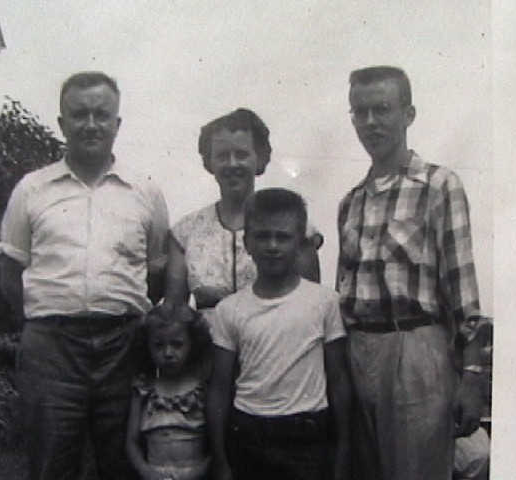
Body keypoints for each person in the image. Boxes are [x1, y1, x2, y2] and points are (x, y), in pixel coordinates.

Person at [0, 71, 169, 480]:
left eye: (101, 115)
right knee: (51, 465)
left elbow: (156, 274)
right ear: (62, 123)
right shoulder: (31, 190)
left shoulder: (145, 192)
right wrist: (52, 321)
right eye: (79, 115)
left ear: (117, 123)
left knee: (125, 465)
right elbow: (10, 276)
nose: (91, 124)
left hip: (124, 347)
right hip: (52, 351)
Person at [336, 65, 486, 480]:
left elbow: (463, 287)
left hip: (416, 351)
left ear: (408, 114)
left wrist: (473, 377)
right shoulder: (350, 201)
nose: (370, 122)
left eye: (382, 109)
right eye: (360, 112)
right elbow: (342, 291)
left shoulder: (439, 185)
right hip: (357, 352)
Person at [206, 188, 351, 480]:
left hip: (307, 440)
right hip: (248, 437)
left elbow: (338, 379)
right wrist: (220, 459)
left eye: (283, 237)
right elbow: (219, 388)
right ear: (247, 243)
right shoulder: (229, 310)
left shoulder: (325, 302)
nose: (272, 246)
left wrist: (344, 447)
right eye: (262, 236)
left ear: (299, 243)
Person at [164, 108, 323, 318]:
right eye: (222, 156)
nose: (232, 164)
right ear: (209, 162)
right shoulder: (186, 232)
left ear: (259, 158)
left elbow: (310, 305)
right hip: (206, 337)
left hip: (274, 335)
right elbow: (174, 310)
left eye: (241, 154)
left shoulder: (293, 226)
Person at [127, 303, 212, 480]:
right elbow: (131, 443)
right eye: (158, 345)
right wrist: (146, 471)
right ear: (147, 347)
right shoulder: (144, 389)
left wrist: (199, 472)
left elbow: (216, 444)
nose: (168, 353)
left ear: (192, 344)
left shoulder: (201, 390)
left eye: (177, 344)